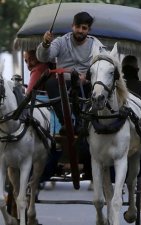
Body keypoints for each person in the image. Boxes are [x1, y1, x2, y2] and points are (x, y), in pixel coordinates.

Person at [37, 11, 105, 180]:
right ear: (72, 26)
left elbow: (101, 65)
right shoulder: (61, 41)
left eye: (84, 28)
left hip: (85, 84)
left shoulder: (96, 45)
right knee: (51, 83)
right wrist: (45, 44)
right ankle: (66, 123)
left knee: (98, 90)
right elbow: (44, 56)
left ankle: (84, 124)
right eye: (78, 27)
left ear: (88, 30)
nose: (80, 31)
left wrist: (87, 77)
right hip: (63, 81)